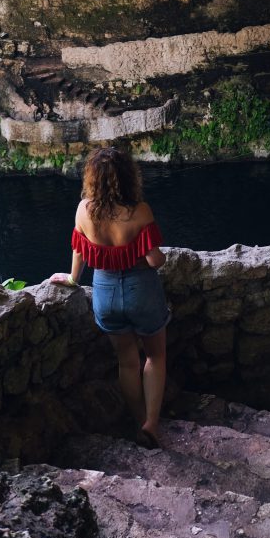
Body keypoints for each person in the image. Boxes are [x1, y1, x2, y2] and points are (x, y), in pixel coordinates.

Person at [49, 146, 169, 448]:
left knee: (126, 362)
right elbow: (155, 260)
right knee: (155, 356)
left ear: (92, 178)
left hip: (104, 292)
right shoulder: (139, 211)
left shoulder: (83, 211)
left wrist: (73, 279)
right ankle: (151, 423)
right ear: (128, 176)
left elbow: (79, 251)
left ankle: (137, 420)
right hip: (141, 290)